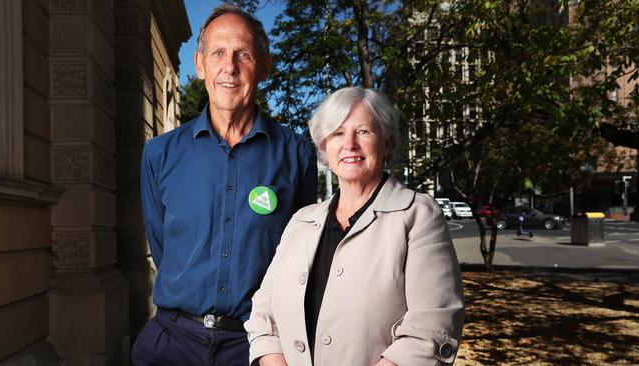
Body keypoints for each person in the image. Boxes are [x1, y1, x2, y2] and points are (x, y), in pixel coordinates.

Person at [132, 4, 318, 366]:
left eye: (243, 54)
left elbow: (300, 257)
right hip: (171, 344)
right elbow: (162, 245)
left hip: (254, 346)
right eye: (218, 53)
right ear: (200, 64)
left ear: (264, 65)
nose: (229, 67)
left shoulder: (297, 155)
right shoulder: (159, 154)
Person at [245, 87, 465, 366]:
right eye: (337, 133)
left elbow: (434, 325)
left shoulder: (418, 215)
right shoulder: (301, 220)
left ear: (387, 141)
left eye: (363, 131)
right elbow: (264, 311)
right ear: (325, 146)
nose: (349, 144)